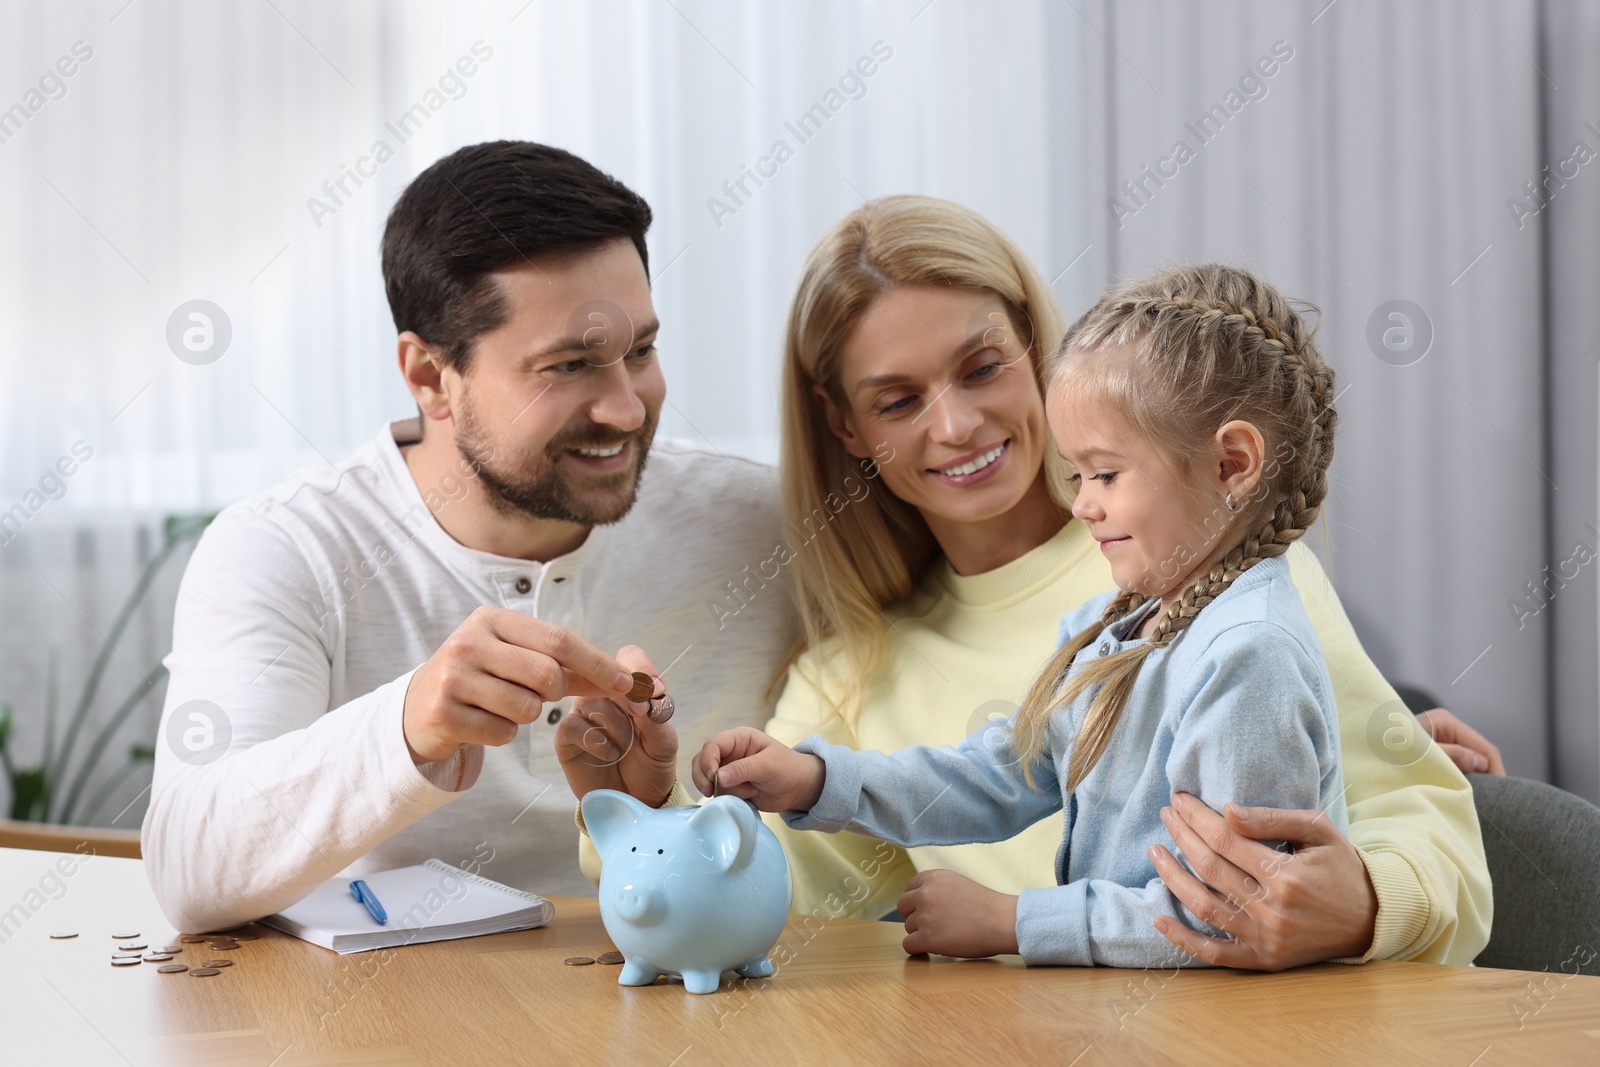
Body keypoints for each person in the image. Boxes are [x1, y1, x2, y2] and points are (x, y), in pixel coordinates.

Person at [563, 196, 1493, 970]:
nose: (958, 424)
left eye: (983, 367)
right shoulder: (864, 673)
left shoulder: (1228, 574)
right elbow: (742, 912)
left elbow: (1433, 834)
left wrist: (1362, 905)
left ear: (1037, 353)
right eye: (897, 400)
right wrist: (643, 804)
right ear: (846, 428)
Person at [141, 141, 797, 933]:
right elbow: (187, 867)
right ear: (428, 376)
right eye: (568, 366)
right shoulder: (286, 549)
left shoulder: (767, 521)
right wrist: (407, 723)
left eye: (642, 351)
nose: (626, 408)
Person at [693, 262, 1347, 965]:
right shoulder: (1116, 625)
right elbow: (1007, 770)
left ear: (1232, 465)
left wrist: (1014, 921)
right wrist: (820, 780)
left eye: (1105, 473)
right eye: (1076, 475)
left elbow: (1225, 916)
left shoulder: (1248, 654)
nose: (1083, 504)